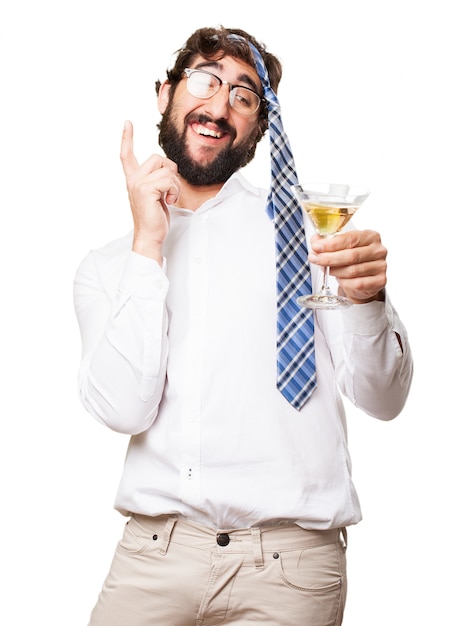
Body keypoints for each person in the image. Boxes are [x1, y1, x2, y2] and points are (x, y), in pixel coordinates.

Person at [74, 25, 413, 626]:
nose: (221, 105)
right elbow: (123, 409)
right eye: (206, 79)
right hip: (153, 560)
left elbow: (383, 400)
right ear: (165, 93)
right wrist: (148, 243)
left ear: (260, 128)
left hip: (290, 569)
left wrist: (368, 300)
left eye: (245, 95)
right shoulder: (109, 268)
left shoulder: (312, 239)